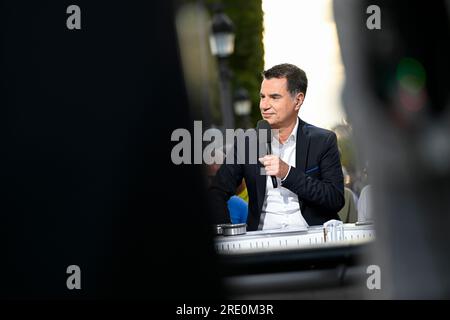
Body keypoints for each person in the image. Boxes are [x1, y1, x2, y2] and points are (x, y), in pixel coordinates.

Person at [209, 63, 345, 231]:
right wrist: (229, 234)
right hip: (262, 244)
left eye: (274, 97)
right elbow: (216, 192)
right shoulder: (246, 143)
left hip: (313, 240)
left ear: (298, 100)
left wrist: (287, 173)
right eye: (262, 97)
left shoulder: (323, 141)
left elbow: (335, 198)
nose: (264, 105)